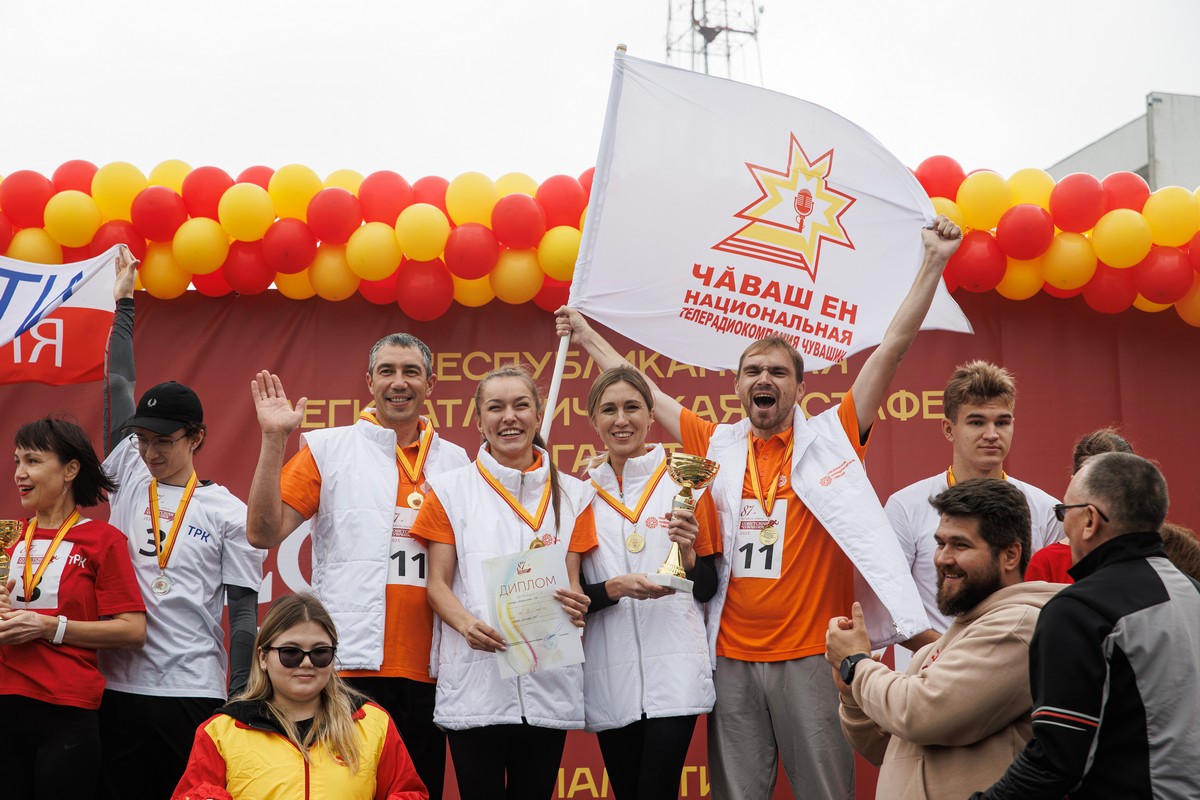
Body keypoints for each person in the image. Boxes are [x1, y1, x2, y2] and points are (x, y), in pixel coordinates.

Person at [556, 215, 962, 799]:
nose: (763, 378)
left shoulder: (835, 437)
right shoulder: (716, 444)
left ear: (799, 386)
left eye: (777, 371)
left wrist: (933, 263)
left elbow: (891, 351)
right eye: (752, 371)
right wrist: (587, 335)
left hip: (813, 655)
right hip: (732, 660)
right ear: (739, 386)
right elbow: (644, 391)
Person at [246, 334, 470, 800]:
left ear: (430, 383)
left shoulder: (456, 461)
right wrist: (273, 440)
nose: (398, 382)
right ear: (369, 381)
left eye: (411, 372)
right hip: (350, 668)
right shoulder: (330, 449)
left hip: (434, 670)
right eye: (387, 371)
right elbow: (263, 533)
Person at [98, 245, 264, 799]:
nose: (149, 452)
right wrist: (125, 305)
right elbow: (118, 382)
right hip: (119, 685)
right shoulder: (126, 470)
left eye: (164, 441)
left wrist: (238, 697)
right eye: (143, 439)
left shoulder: (229, 512)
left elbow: (243, 612)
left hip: (193, 690)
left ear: (196, 438)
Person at [412, 365, 596, 800]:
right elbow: (437, 585)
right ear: (479, 422)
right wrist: (466, 625)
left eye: (521, 405)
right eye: (495, 408)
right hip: (478, 686)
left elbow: (574, 582)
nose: (509, 417)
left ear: (538, 416)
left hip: (548, 680)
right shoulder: (449, 490)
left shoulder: (575, 494)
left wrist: (577, 604)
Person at [972, 452, 1200, 799]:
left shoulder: (1080, 610)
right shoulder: (1193, 591)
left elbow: (1054, 762)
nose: (1063, 526)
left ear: (1090, 519)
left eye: (1064, 512)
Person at [826, 478, 1059, 799]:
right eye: (940, 543)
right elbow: (890, 749)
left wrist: (857, 664)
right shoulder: (953, 638)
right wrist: (852, 696)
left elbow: (918, 713)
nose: (943, 558)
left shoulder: (1016, 627)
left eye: (960, 545)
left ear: (1010, 555)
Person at [578, 366, 719, 800]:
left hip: (675, 669)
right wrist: (615, 589)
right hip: (609, 674)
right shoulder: (579, 497)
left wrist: (689, 559)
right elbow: (573, 596)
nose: (621, 420)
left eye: (632, 407)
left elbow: (708, 587)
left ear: (651, 414)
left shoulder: (688, 483)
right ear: (594, 420)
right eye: (609, 410)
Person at [0, 417, 146, 799]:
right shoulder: (7, 537)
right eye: (17, 461)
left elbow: (132, 630)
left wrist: (50, 627)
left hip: (66, 709)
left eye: (32, 461)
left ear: (70, 470)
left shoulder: (103, 540)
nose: (19, 473)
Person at [172, 593, 428, 800]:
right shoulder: (221, 732)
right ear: (263, 657)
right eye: (291, 653)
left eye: (320, 653)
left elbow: (407, 793)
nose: (306, 663)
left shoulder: (373, 723)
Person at [884, 361, 1062, 649]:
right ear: (948, 429)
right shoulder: (905, 506)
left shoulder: (1047, 510)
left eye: (1002, 422)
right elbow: (890, 608)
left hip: (1023, 663)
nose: (991, 434)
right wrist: (956, 656)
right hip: (935, 668)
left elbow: (1060, 602)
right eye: (977, 422)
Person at [1025, 427, 1133, 584]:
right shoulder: (1047, 562)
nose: (1104, 497)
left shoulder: (1151, 553)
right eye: (1094, 485)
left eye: (1117, 486)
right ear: (1074, 482)